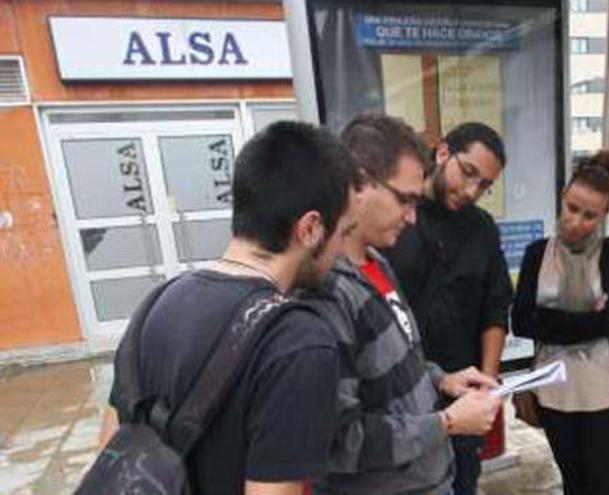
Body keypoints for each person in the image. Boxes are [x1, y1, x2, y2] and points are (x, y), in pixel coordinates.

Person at [96, 121, 361, 495]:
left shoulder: (158, 302)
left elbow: (111, 450)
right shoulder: (299, 341)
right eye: (344, 233)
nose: (342, 252)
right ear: (311, 228)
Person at [316, 113, 502, 495]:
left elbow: (402, 362)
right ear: (359, 183)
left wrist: (441, 379)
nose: (412, 217)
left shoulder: (377, 263)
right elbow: (339, 441)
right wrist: (446, 423)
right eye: (405, 200)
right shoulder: (327, 291)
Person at [384, 122, 514, 495]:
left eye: (485, 186)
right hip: (404, 401)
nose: (473, 191)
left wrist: (487, 385)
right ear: (442, 153)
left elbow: (495, 305)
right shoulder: (397, 221)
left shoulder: (482, 228)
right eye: (468, 173)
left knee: (463, 484)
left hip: (464, 395)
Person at [511, 151, 609, 495]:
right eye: (572, 208)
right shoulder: (538, 252)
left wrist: (548, 319)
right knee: (574, 485)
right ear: (563, 198)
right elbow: (521, 322)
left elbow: (607, 323)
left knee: (606, 486)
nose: (576, 221)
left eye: (589, 215)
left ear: (604, 215)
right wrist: (585, 319)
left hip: (607, 390)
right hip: (553, 390)